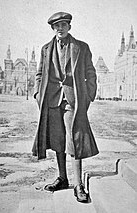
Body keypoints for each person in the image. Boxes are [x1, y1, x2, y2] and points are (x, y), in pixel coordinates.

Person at [32, 11, 99, 203]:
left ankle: (78, 185)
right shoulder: (46, 49)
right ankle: (62, 178)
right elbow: (39, 75)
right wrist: (38, 95)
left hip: (73, 101)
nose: (59, 29)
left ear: (69, 26)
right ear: (52, 29)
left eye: (63, 25)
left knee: (75, 140)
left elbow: (90, 74)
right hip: (52, 101)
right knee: (57, 141)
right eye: (56, 26)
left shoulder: (81, 47)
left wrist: (87, 97)